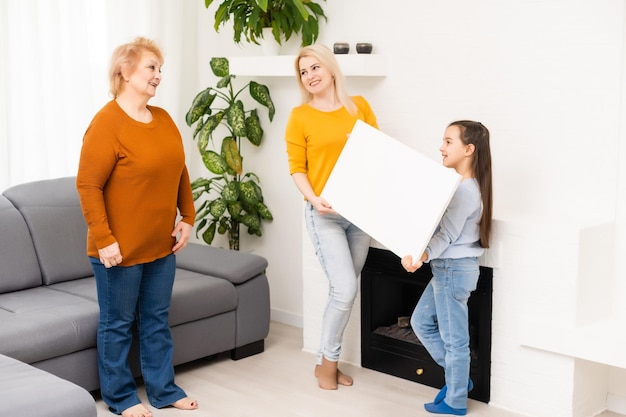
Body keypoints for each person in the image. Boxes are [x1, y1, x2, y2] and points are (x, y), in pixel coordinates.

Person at [76, 37, 199, 417]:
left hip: (161, 244)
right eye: (151, 67)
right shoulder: (106, 123)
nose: (158, 76)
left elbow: (178, 169)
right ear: (124, 72)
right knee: (117, 325)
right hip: (119, 250)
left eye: (160, 69)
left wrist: (187, 217)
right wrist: (105, 239)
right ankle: (121, 398)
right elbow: (88, 185)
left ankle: (163, 390)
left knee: (157, 321)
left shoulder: (163, 119)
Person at [284, 44, 378, 390]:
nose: (309, 76)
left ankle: (325, 360)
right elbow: (297, 169)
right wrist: (314, 199)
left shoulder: (360, 107)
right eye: (303, 72)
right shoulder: (300, 116)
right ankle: (328, 365)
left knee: (344, 291)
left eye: (314, 68)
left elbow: (377, 156)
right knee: (345, 289)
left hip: (362, 215)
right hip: (325, 216)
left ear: (330, 68)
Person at [401, 120, 492, 416]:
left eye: (448, 141)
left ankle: (455, 401)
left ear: (469, 149)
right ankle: (458, 381)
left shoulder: (465, 190)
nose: (441, 147)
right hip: (448, 270)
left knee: (456, 341)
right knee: (421, 322)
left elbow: (448, 235)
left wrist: (421, 256)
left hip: (453, 270)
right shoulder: (464, 186)